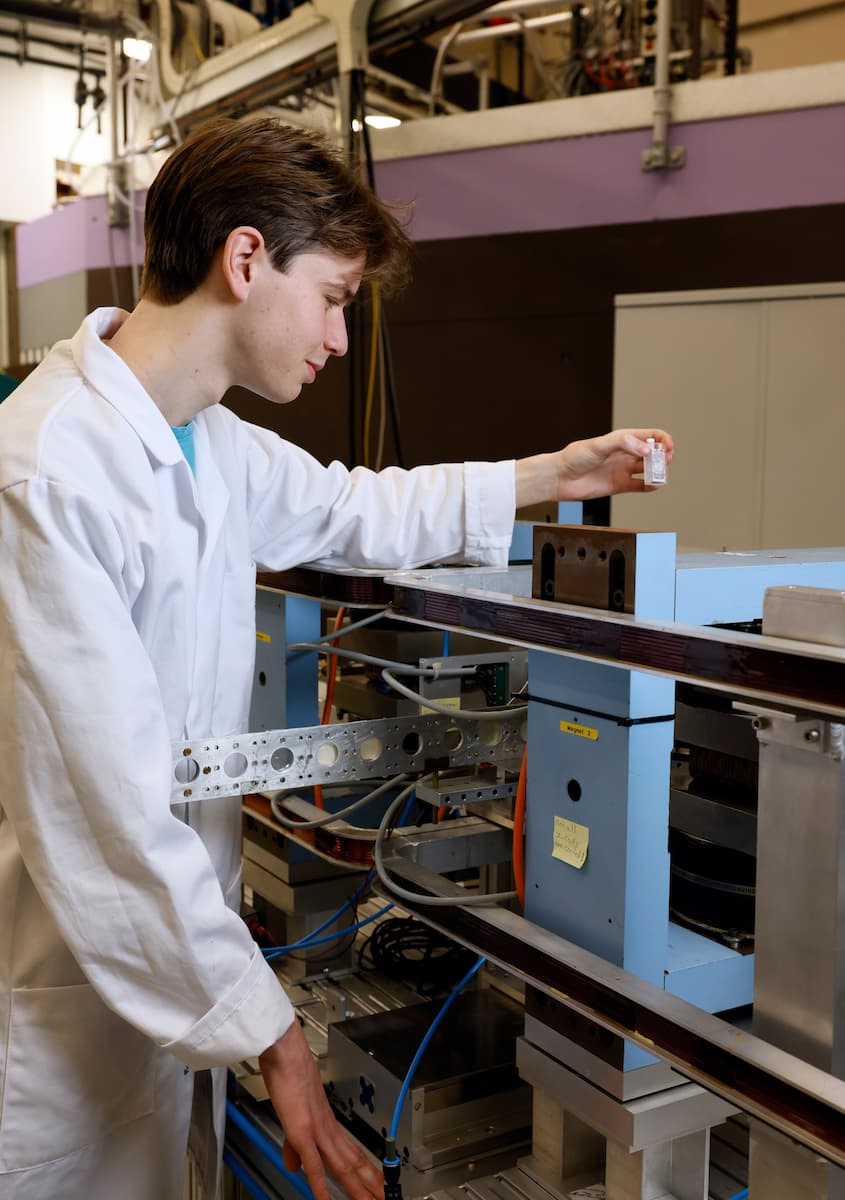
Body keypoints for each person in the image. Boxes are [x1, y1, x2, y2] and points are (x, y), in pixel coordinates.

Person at [0, 114, 673, 1200]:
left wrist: (554, 474)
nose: (339, 338)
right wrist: (277, 1040)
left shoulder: (204, 439)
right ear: (245, 259)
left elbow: (357, 509)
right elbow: (106, 817)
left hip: (169, 980)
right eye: (334, 297)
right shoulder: (48, 471)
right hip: (62, 1002)